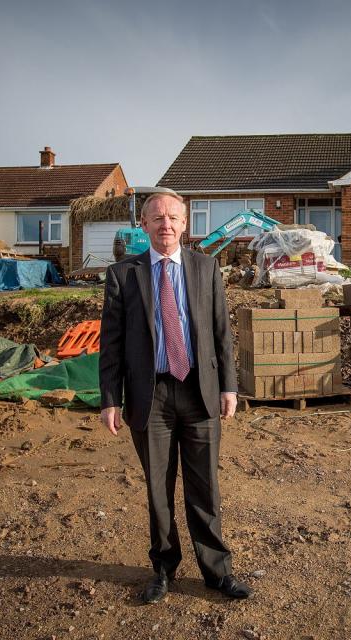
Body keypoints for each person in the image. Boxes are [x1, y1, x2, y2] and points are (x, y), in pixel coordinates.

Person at [98, 191, 251, 604]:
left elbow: (222, 333)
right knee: (158, 491)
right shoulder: (123, 275)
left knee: (205, 488)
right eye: (156, 217)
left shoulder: (207, 267)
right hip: (151, 397)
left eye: (173, 217)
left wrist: (229, 387)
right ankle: (163, 569)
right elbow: (110, 343)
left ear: (184, 224)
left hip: (200, 392)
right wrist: (110, 399)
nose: (165, 224)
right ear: (144, 225)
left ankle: (217, 572)